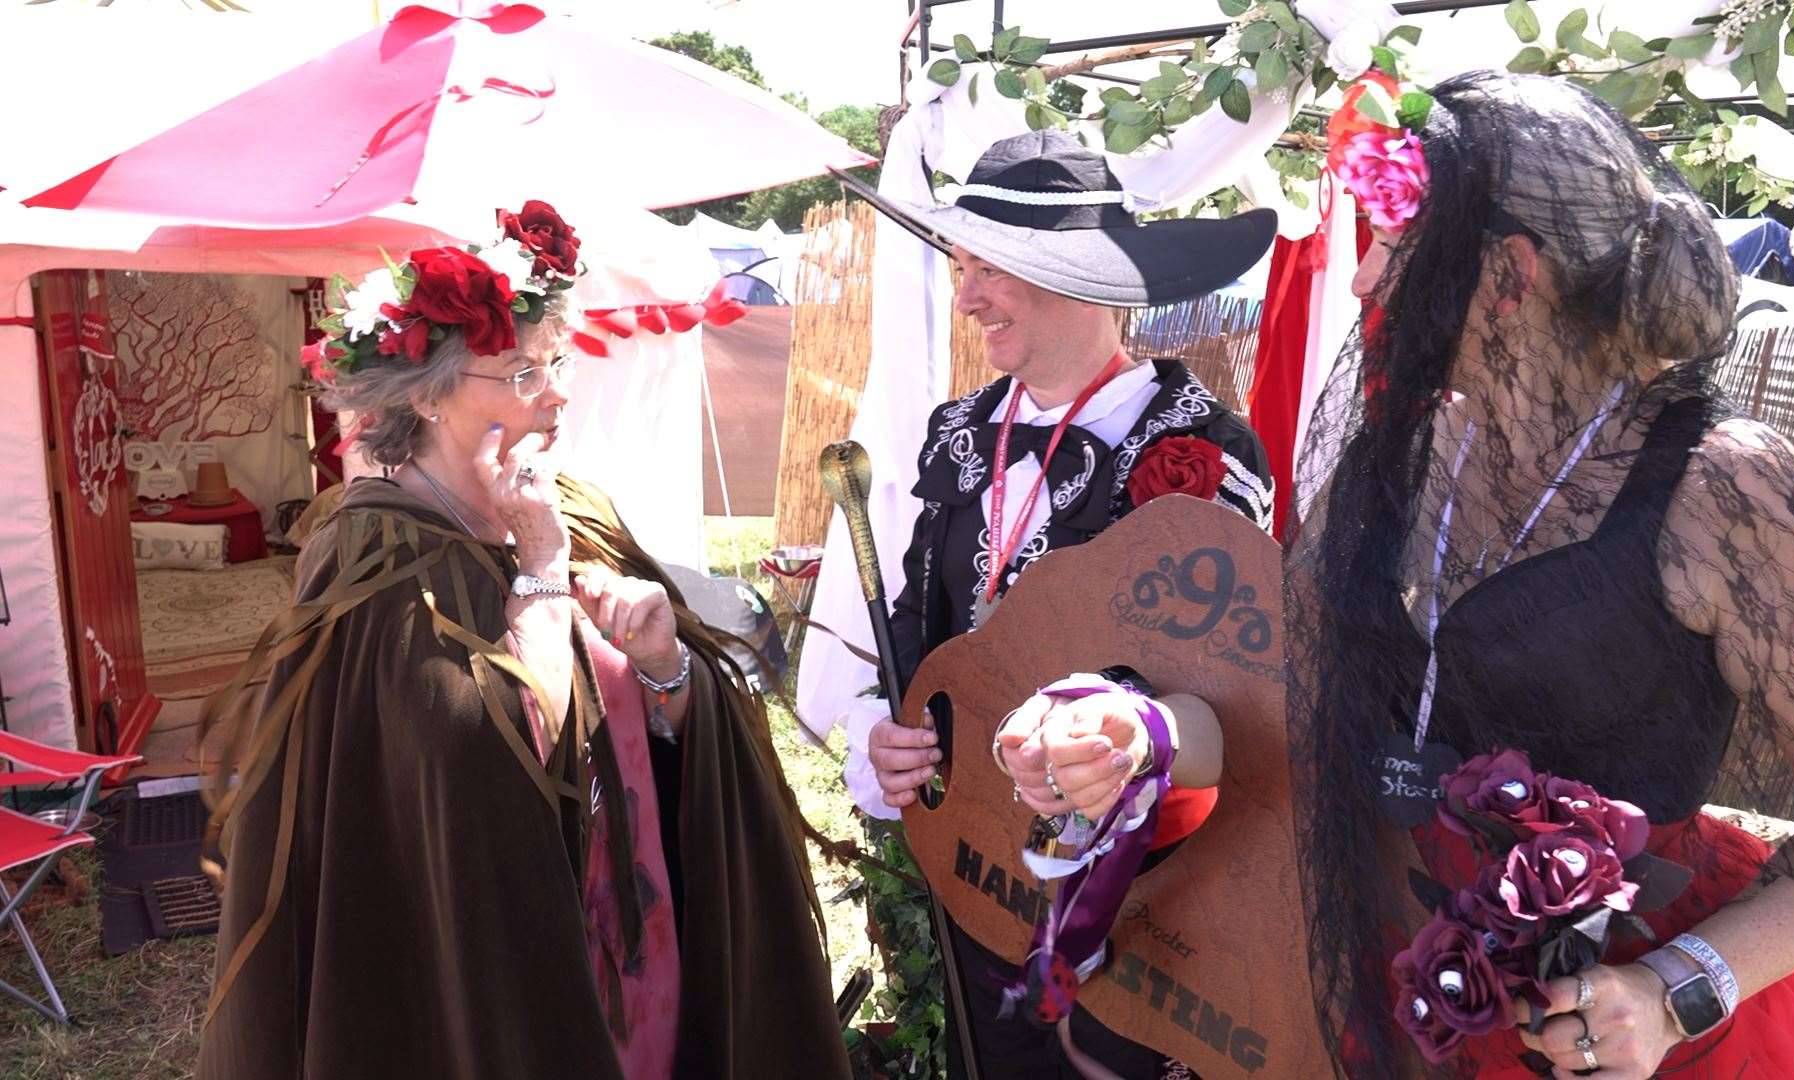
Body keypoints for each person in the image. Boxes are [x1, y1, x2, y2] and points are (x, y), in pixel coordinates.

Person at [1033, 70, 1794, 1077]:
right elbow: (1285, 716)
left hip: (1622, 1034)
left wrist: (1679, 989)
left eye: (1398, 247)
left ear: (1507, 274)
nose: (1365, 281)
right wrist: (1136, 734)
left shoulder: (1724, 487)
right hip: (1392, 991)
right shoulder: (1394, 460)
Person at [196, 204, 849, 1080]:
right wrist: (541, 572)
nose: (559, 391)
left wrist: (667, 670)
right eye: (520, 373)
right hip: (499, 976)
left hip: (639, 947)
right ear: (425, 394)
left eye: (557, 362)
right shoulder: (375, 557)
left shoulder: (571, 505)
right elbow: (481, 758)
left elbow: (671, 720)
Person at [836, 130, 1279, 1078]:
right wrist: (894, 723)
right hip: (972, 867)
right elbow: (921, 615)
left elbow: (1228, 692)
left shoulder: (1203, 447)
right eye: (962, 265)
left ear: (1080, 279)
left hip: (1143, 903)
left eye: (991, 267)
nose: (968, 295)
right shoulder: (960, 431)